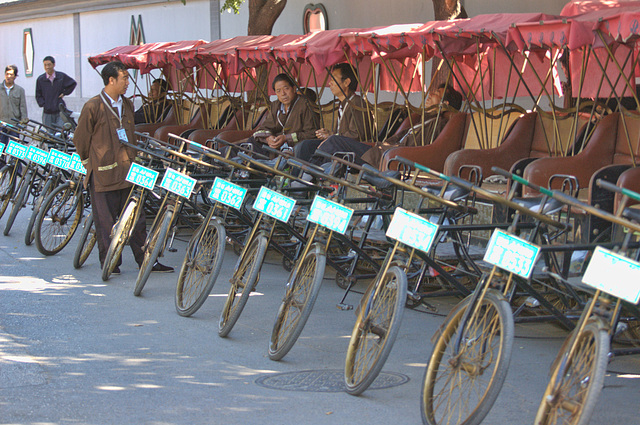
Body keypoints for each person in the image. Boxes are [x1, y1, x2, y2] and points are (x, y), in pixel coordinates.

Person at [74, 61, 172, 275]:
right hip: (103, 172)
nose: (128, 82)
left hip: (128, 168)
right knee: (105, 221)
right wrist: (87, 161)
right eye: (124, 78)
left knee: (137, 218)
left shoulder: (127, 104)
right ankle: (110, 262)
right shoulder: (93, 106)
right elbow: (81, 138)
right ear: (111, 80)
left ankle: (146, 260)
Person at [362, 83, 463, 168]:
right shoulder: (422, 118)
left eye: (437, 93)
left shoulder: (439, 124)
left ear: (445, 103)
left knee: (347, 148)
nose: (430, 94)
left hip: (398, 155)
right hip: (386, 150)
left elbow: (420, 148)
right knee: (348, 148)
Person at [294, 63, 372, 165]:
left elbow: (357, 135)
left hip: (356, 152)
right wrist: (329, 134)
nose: (330, 83)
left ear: (347, 82)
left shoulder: (356, 103)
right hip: (340, 146)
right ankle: (297, 175)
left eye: (333, 79)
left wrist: (332, 136)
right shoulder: (342, 103)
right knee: (305, 145)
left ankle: (307, 175)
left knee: (331, 143)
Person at [233, 73, 318, 156]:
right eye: (278, 91)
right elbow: (264, 127)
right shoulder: (275, 105)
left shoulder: (305, 105)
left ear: (294, 88)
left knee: (251, 152)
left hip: (293, 148)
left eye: (286, 88)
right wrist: (268, 138)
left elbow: (311, 133)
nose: (283, 93)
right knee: (245, 145)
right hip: (275, 146)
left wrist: (286, 138)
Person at [35, 56, 77, 130]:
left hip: (60, 111)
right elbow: (38, 94)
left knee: (60, 132)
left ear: (54, 65)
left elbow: (73, 83)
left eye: (49, 64)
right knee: (49, 134)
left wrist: (64, 93)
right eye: (45, 65)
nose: (47, 67)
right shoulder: (41, 79)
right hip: (47, 112)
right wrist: (43, 104)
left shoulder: (61, 76)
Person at [0, 65, 28, 144]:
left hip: (15, 125)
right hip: (1, 124)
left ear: (15, 76)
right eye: (7, 74)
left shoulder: (20, 90)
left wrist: (23, 124)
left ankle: (13, 157)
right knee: (1, 150)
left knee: (14, 148)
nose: (8, 76)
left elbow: (23, 108)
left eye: (11, 75)